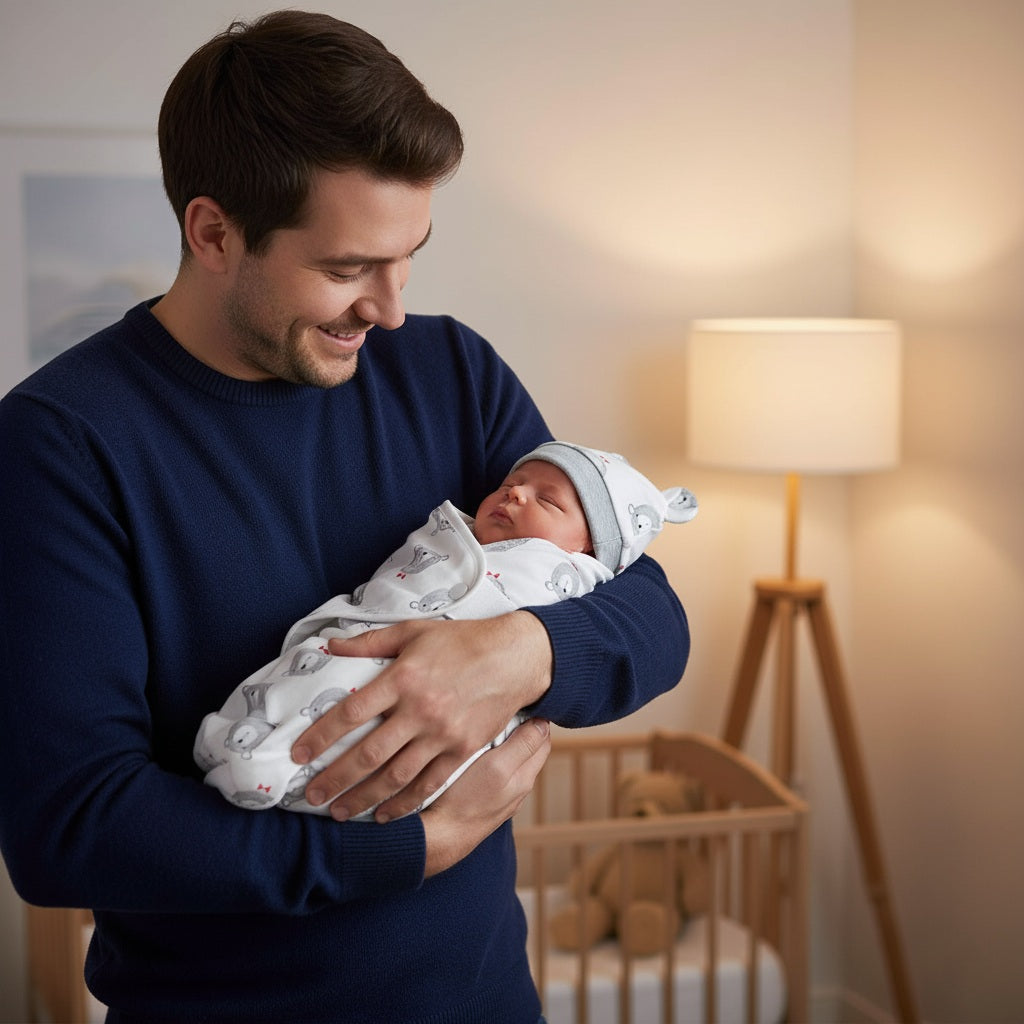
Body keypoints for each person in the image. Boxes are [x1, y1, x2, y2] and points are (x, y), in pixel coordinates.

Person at [0, 12, 691, 1024]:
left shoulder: (449, 371)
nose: (391, 308)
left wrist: (522, 651)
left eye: (408, 255)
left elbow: (650, 612)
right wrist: (401, 849)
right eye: (345, 268)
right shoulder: (61, 445)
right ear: (213, 231)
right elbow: (70, 826)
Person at [194, 441, 698, 820]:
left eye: (548, 500)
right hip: (355, 642)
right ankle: (252, 743)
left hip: (463, 927)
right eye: (509, 484)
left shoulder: (464, 375)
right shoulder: (459, 535)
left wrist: (528, 650)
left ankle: (272, 768)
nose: (515, 491)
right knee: (309, 688)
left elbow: (659, 622)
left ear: (588, 551)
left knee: (367, 730)